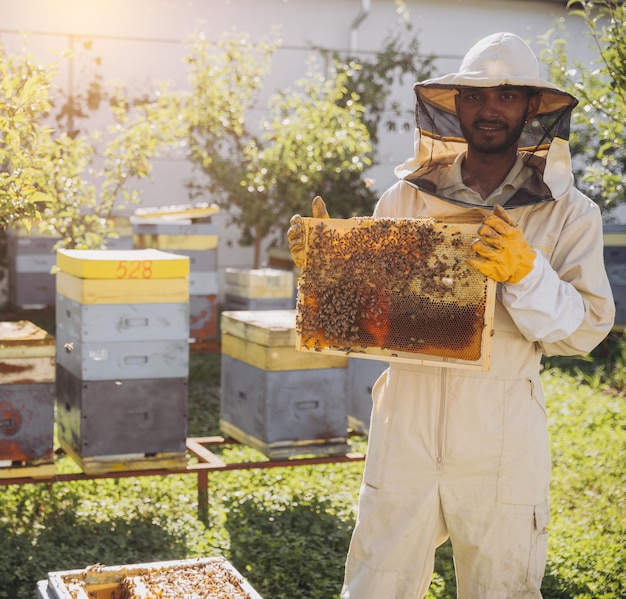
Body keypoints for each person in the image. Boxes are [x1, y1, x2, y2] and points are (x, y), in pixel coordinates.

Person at [288, 32, 615, 598]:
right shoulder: (404, 199)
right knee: (376, 584)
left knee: (500, 589)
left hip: (502, 432)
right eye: (475, 96)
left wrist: (528, 274)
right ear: (454, 105)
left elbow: (586, 329)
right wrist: (328, 270)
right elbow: (376, 314)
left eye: (508, 95)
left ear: (533, 108)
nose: (490, 109)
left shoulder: (571, 214)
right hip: (404, 425)